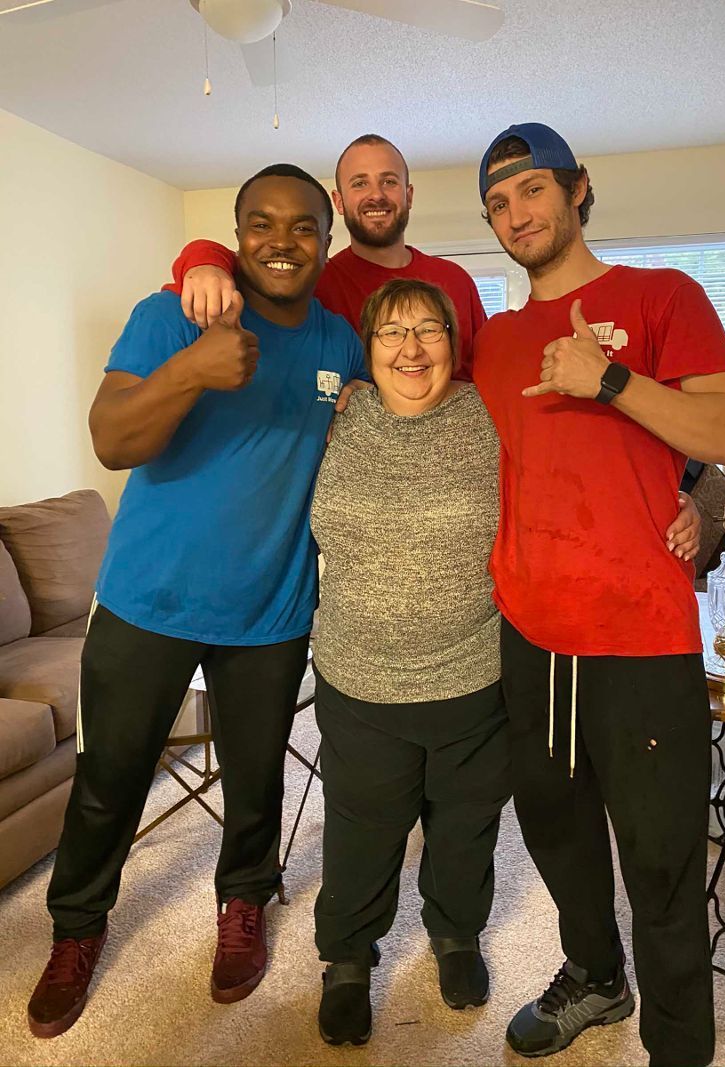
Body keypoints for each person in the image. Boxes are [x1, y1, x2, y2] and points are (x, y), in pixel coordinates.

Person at [26, 164, 367, 1039]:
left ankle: (243, 903)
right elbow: (110, 439)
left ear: (326, 243)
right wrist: (191, 369)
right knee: (109, 782)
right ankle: (76, 929)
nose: (281, 242)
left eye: (302, 227)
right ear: (237, 233)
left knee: (256, 783)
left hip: (273, 609)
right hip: (147, 601)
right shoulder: (171, 313)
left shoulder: (340, 344)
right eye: (262, 224)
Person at [471, 123, 725, 1067]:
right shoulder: (497, 341)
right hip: (530, 628)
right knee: (555, 832)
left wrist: (613, 379)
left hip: (640, 632)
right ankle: (596, 974)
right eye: (499, 203)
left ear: (579, 189)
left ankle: (679, 1044)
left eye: (532, 189)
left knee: (661, 853)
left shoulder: (661, 296)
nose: (518, 213)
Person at [309, 277, 509, 1047]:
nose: (411, 348)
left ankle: (457, 934)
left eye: (429, 330)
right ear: (367, 348)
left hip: (473, 670)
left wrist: (690, 492)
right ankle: (349, 960)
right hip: (358, 674)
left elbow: (582, 464)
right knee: (362, 827)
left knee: (465, 824)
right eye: (392, 332)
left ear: (454, 345)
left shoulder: (491, 417)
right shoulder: (340, 416)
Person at [165, 134, 487, 378]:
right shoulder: (309, 279)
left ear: (408, 195)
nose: (376, 194)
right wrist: (204, 259)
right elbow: (245, 268)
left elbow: (482, 376)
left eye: (389, 181)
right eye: (360, 183)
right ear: (339, 201)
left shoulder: (455, 280)